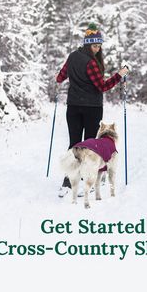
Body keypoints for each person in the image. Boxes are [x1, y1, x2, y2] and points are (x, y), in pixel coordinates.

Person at [56, 23, 129, 197]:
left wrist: (62, 79)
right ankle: (82, 180)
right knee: (89, 145)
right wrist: (119, 75)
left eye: (99, 45)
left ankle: (68, 181)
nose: (97, 48)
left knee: (74, 143)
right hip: (91, 108)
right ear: (88, 44)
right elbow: (102, 86)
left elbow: (60, 77)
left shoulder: (73, 56)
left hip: (73, 107)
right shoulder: (92, 64)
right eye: (95, 45)